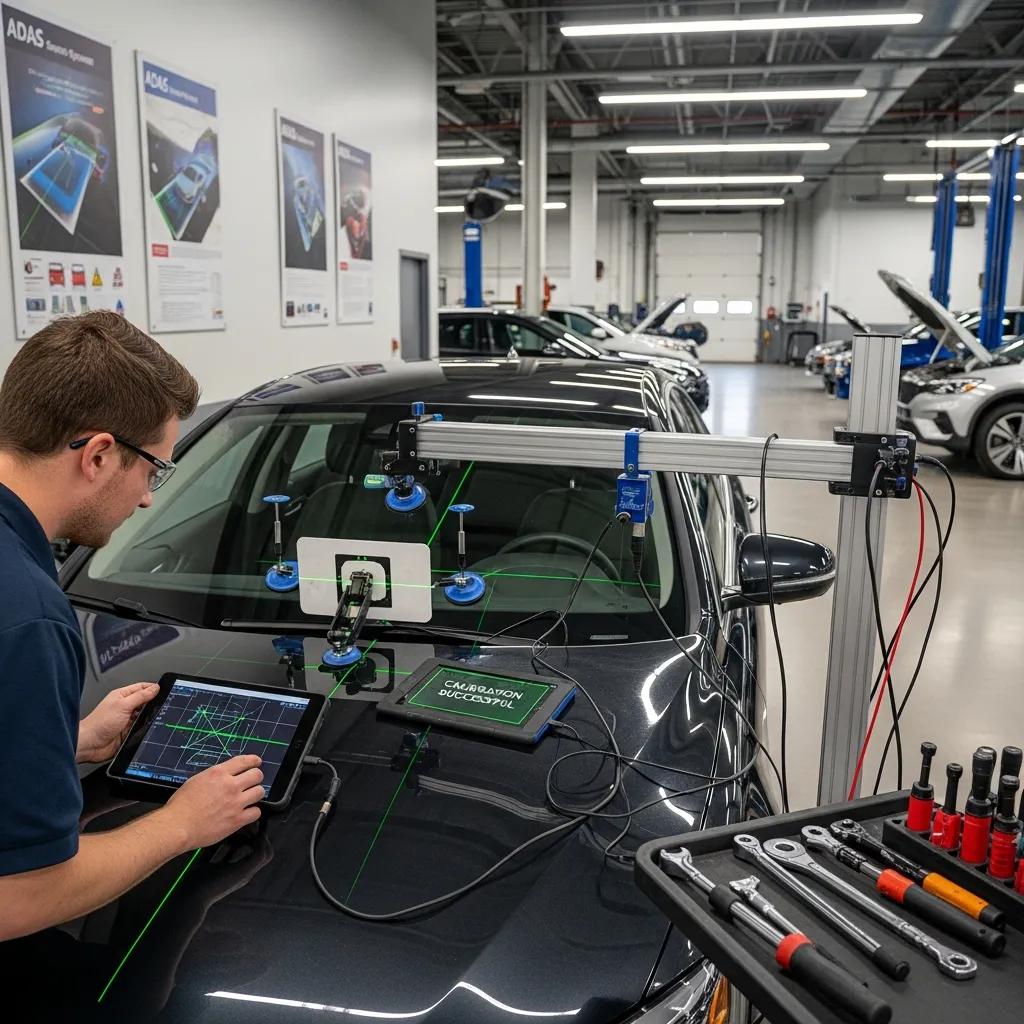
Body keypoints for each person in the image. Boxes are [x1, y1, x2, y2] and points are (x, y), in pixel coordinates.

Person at [0, 311, 264, 942]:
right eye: (153, 470)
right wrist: (182, 824)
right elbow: (19, 900)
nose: (148, 498)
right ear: (97, 454)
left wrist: (69, 741)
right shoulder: (28, 616)